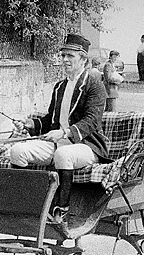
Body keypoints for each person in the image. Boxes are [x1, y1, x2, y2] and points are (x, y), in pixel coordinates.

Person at [9, 33, 109, 225]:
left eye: (70, 56)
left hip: (86, 145)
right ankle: (26, 205)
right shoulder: (59, 87)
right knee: (17, 151)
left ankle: (61, 209)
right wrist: (30, 124)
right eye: (63, 55)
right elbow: (50, 121)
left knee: (64, 155)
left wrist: (64, 132)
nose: (64, 60)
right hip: (58, 144)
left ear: (83, 60)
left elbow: (91, 121)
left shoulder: (95, 86)